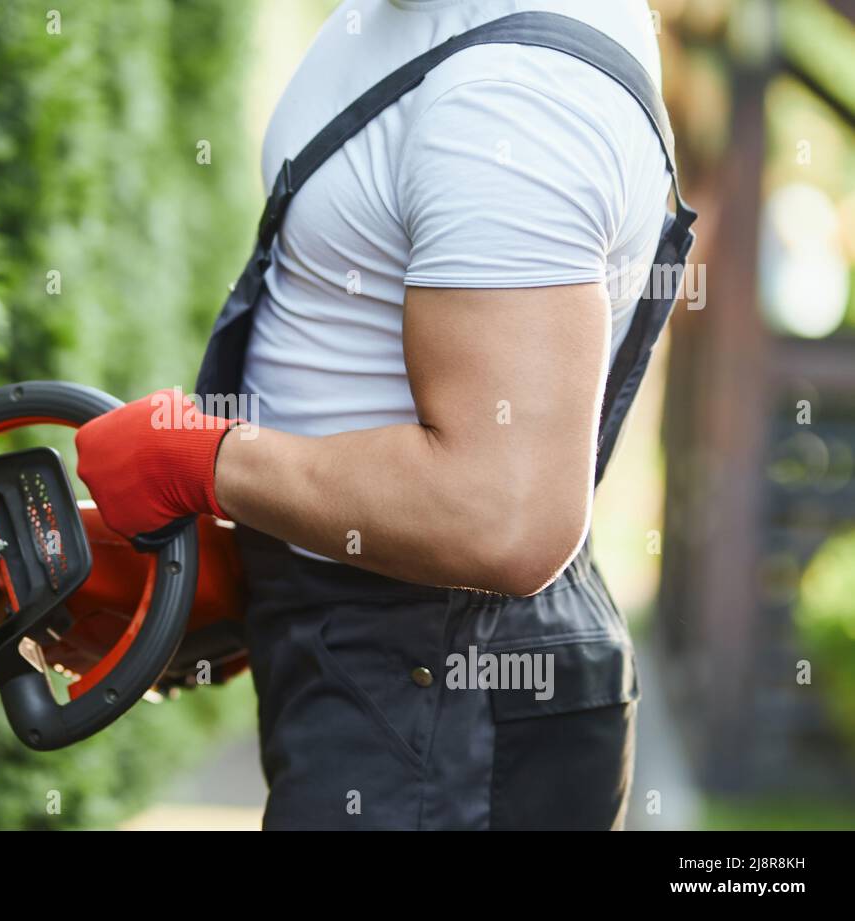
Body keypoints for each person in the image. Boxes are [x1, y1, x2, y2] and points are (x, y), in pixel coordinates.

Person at [75, 0, 693, 829]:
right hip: (385, 668)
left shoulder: (518, 99)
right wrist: (257, 570)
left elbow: (497, 512)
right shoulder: (406, 20)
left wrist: (203, 463)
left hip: (444, 710)